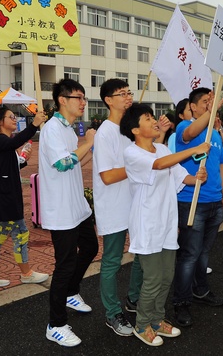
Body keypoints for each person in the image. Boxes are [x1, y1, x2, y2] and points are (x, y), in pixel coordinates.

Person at [120, 103, 209, 346]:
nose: (154, 121)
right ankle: (142, 324)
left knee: (167, 276)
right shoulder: (132, 153)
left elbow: (179, 174)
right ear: (135, 130)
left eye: (152, 117)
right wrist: (194, 150)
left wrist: (196, 178)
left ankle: (157, 320)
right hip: (147, 224)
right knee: (152, 278)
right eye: (147, 118)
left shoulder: (161, 148)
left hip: (167, 223)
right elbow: (159, 165)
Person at [39, 79, 99, 347]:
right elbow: (63, 164)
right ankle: (56, 325)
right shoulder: (52, 128)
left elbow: (75, 161)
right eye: (79, 97)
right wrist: (88, 142)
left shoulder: (69, 129)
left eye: (84, 97)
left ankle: (71, 292)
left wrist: (91, 149)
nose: (83, 102)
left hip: (77, 205)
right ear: (62, 100)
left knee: (90, 247)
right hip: (61, 209)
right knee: (64, 265)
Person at [172, 87, 223, 328]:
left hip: (215, 201)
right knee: (189, 255)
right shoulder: (184, 127)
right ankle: (181, 301)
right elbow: (190, 134)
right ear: (193, 107)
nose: (209, 104)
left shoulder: (214, 133)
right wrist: (211, 110)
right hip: (192, 201)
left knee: (203, 253)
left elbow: (222, 165)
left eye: (211, 101)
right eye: (205, 101)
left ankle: (201, 290)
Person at [92, 78, 144, 337]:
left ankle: (134, 299)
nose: (127, 97)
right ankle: (112, 313)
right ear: (108, 100)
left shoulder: (129, 130)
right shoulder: (105, 133)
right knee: (112, 261)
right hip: (113, 207)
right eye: (121, 93)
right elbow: (108, 176)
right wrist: (137, 164)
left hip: (134, 203)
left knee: (142, 253)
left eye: (128, 92)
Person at [0, 107, 49, 289]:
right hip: (4, 199)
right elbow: (14, 143)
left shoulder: (0, 142)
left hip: (3, 197)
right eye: (10, 117)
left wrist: (23, 160)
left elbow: (7, 166)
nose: (14, 119)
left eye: (14, 116)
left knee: (0, 236)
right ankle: (25, 274)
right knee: (17, 234)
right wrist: (34, 125)